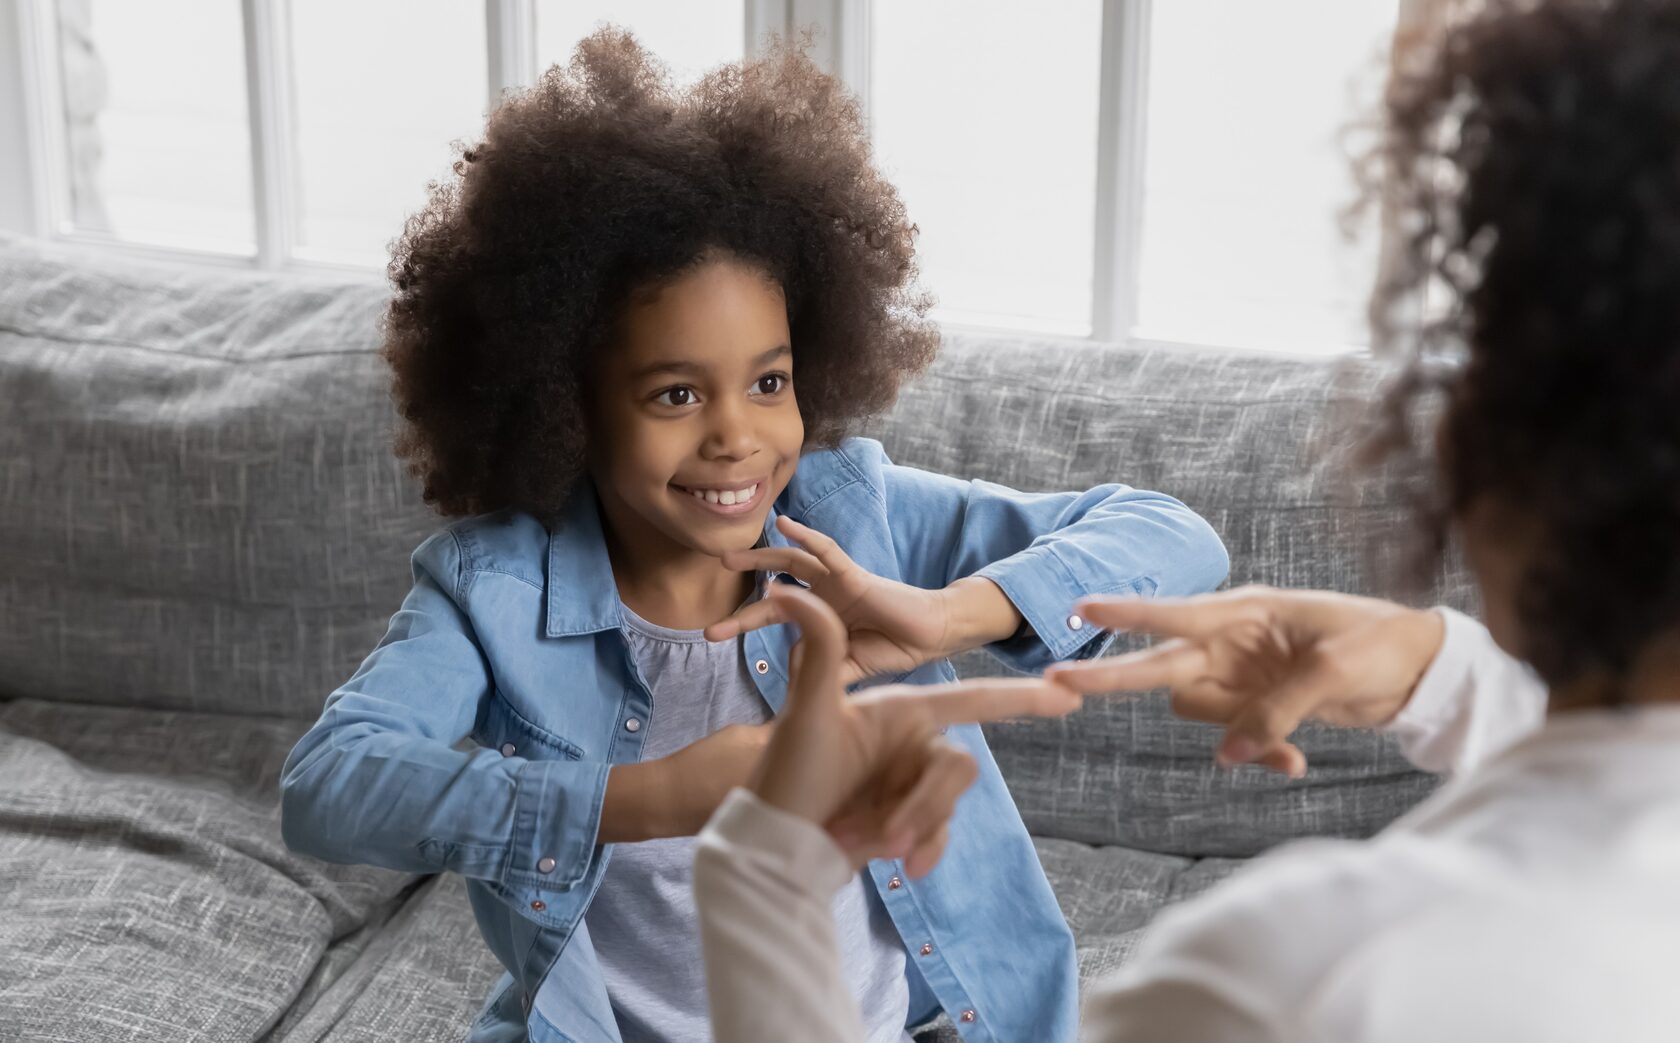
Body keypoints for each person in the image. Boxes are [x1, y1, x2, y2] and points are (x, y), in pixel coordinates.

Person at [692, 0, 1680, 1039]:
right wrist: (1453, 674)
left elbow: (1163, 532)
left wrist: (767, 868)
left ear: (1491, 441)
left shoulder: (1307, 973)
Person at [277, 29, 1228, 1043]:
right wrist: (641, 797)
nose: (737, 436)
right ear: (565, 402)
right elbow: (329, 783)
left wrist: (948, 614)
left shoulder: (853, 515)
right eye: (676, 392)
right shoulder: (493, 591)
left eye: (769, 382)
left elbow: (1176, 537)